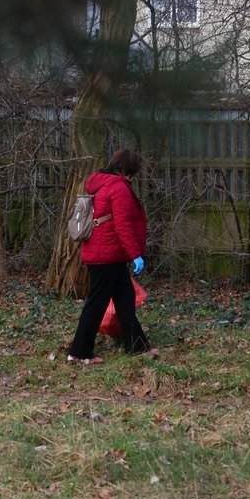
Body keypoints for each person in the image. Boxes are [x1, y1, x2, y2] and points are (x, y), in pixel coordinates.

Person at [67, 149, 157, 364]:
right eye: (134, 172)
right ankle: (79, 353)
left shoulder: (102, 183)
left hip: (109, 255)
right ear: (127, 170)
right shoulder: (118, 188)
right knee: (96, 305)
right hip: (105, 257)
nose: (134, 178)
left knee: (125, 301)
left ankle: (137, 346)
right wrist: (136, 254)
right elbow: (123, 225)